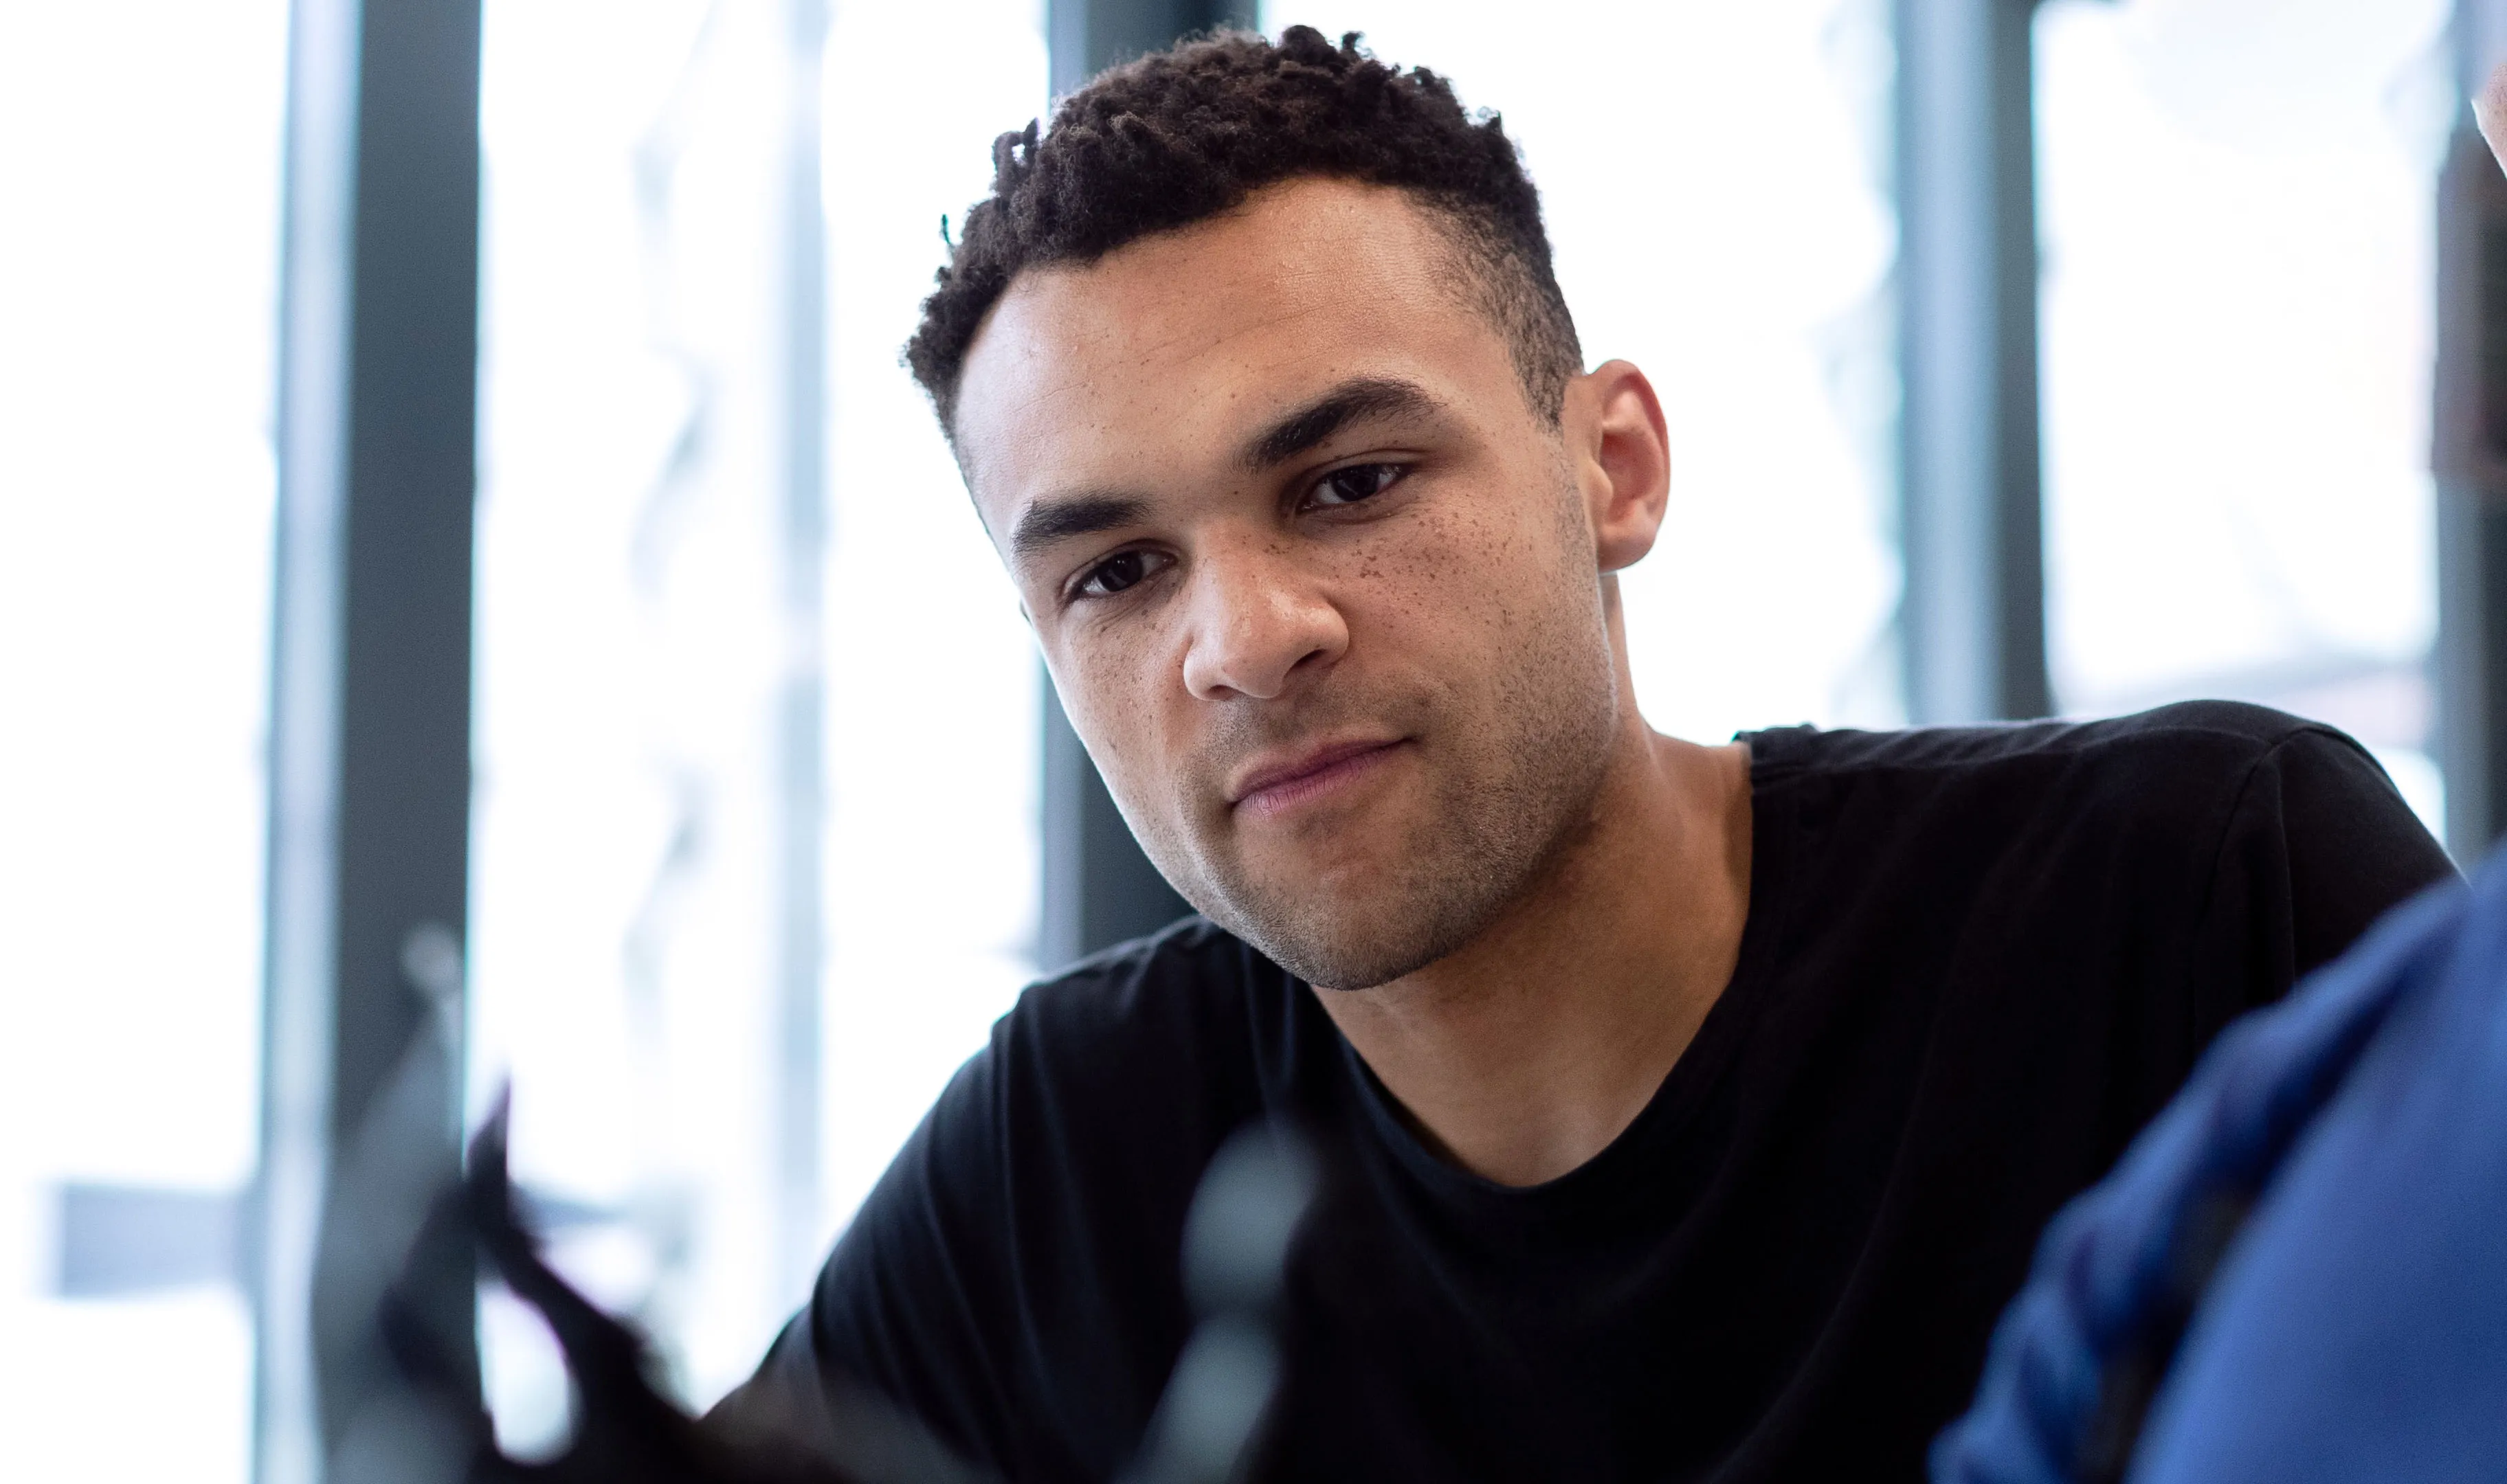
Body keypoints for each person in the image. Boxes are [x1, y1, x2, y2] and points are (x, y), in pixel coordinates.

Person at [714, 27, 2452, 1482]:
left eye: (1350, 483)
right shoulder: (1071, 1158)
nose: (1243, 641)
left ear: (1611, 468)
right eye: (1114, 574)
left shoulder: (2198, 898)